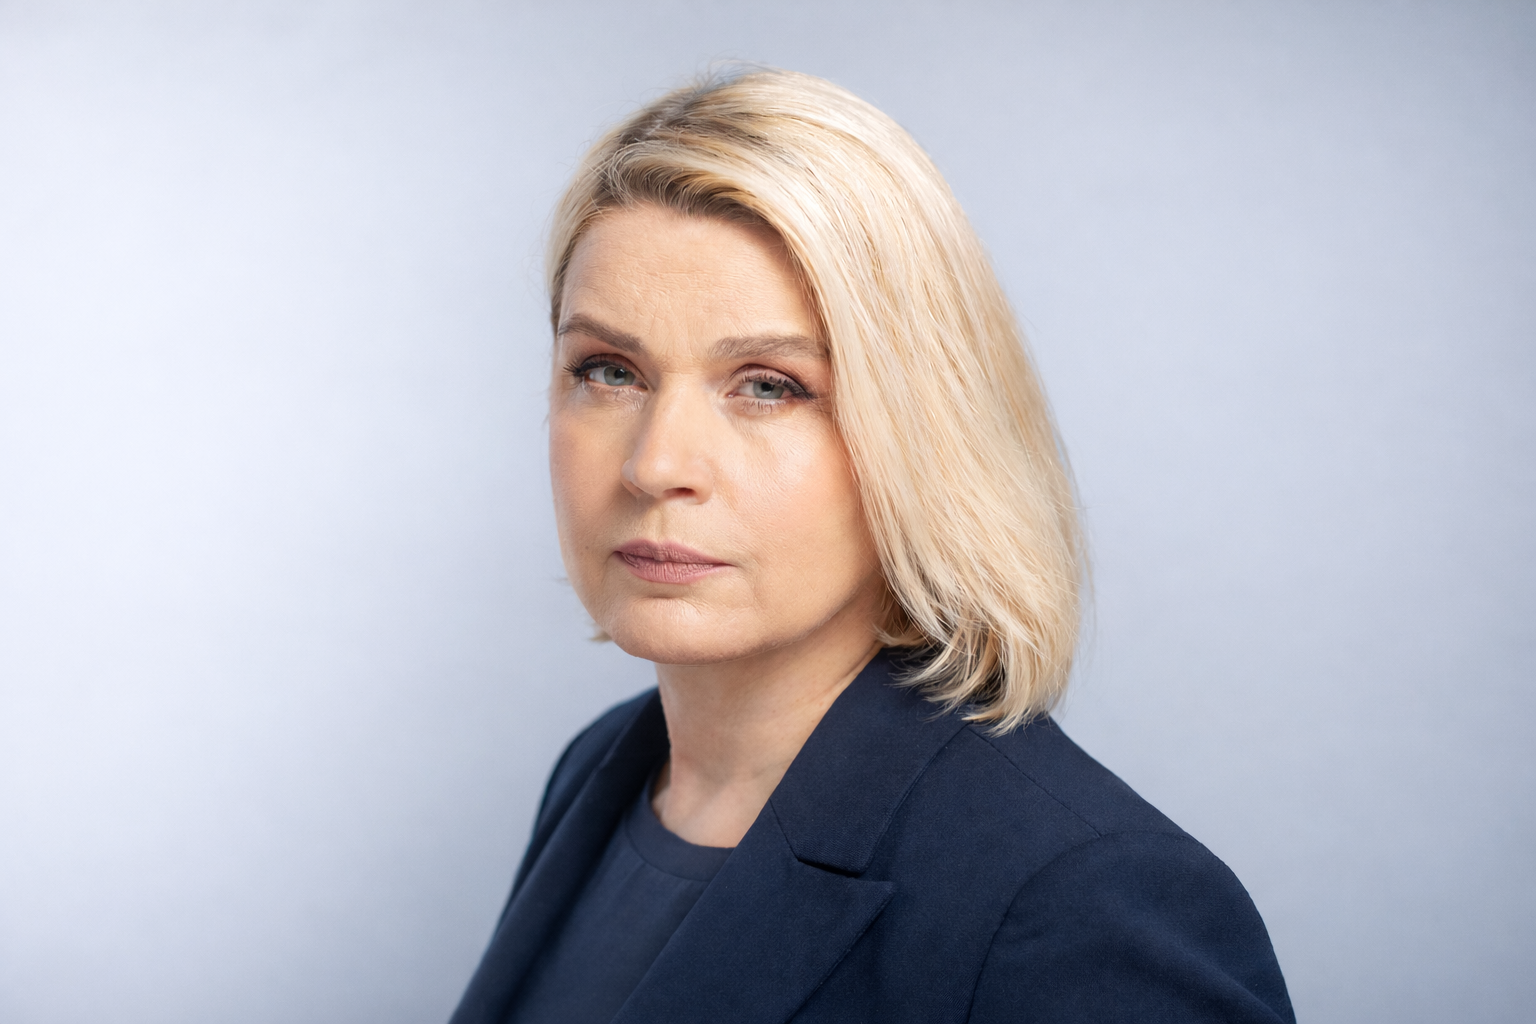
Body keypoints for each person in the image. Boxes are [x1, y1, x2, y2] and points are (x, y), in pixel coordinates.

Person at [450, 67, 1294, 1024]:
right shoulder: (604, 770)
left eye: (768, 385)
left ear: (924, 432)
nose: (655, 465)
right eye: (609, 371)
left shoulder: (1078, 904)